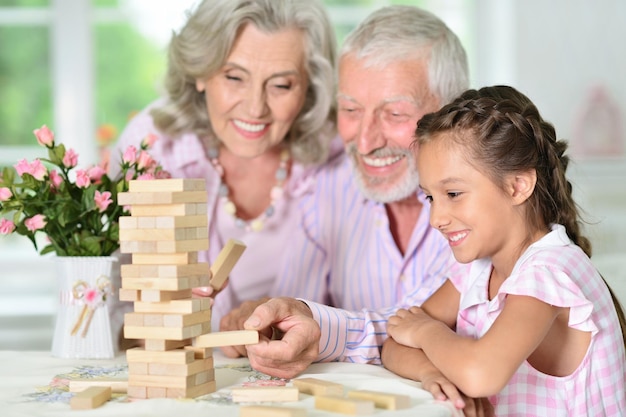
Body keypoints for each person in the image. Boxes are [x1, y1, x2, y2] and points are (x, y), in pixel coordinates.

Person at [222, 3, 468, 376]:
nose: (366, 141)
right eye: (351, 111)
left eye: (395, 114)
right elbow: (296, 309)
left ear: (452, 109)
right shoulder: (326, 191)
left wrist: (318, 326)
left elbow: (423, 324)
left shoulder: (483, 204)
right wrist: (268, 321)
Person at [383, 85, 626, 416]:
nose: (436, 218)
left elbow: (480, 374)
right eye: (430, 197)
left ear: (517, 186)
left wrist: (426, 331)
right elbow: (394, 343)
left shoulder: (548, 273)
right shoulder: (477, 271)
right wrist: (433, 373)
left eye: (453, 193)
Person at [109, 0, 341, 330]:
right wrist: (160, 315)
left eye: (280, 85)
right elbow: (108, 307)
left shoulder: (339, 153)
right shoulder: (153, 145)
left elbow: (369, 305)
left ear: (308, 88)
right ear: (201, 72)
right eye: (234, 77)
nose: (255, 108)